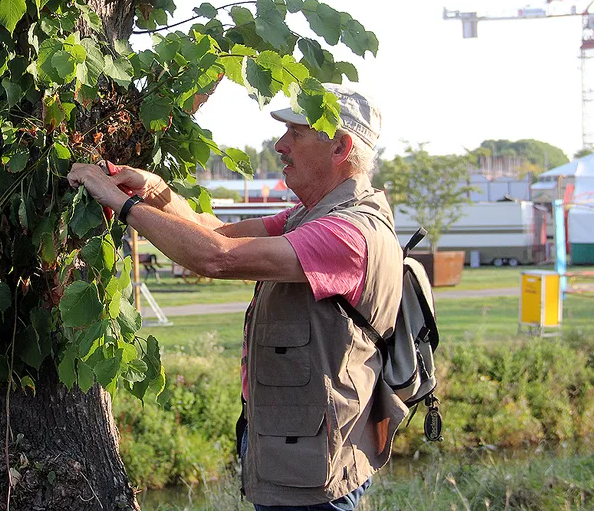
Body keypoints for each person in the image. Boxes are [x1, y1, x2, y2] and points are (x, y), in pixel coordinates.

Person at [68, 84, 408, 510]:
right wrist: (152, 189)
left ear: (340, 147)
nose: (280, 145)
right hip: (294, 453)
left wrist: (116, 200)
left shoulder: (348, 233)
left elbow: (217, 258)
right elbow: (214, 231)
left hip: (314, 471)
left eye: (296, 134)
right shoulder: (311, 217)